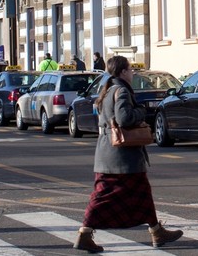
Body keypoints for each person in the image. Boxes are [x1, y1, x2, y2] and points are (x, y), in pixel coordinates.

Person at [74, 55, 183, 253]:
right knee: (102, 196)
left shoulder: (107, 89)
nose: (132, 72)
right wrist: (141, 112)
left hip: (111, 153)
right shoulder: (121, 90)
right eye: (130, 69)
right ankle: (84, 234)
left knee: (142, 193)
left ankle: (157, 232)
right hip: (121, 157)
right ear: (123, 72)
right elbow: (124, 118)